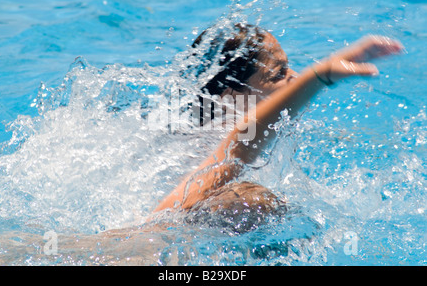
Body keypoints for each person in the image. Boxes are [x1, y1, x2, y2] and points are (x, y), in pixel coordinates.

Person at [153, 23, 403, 223]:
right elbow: (243, 143)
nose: (293, 78)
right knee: (255, 201)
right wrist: (318, 78)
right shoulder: (202, 155)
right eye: (278, 74)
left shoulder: (198, 134)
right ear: (232, 99)